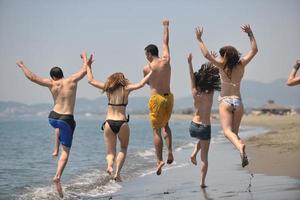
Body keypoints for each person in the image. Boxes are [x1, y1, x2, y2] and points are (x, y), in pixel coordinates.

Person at [16, 52, 90, 197]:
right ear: (62, 74)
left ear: (53, 77)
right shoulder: (71, 80)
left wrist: (22, 65)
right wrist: (85, 59)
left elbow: (32, 77)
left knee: (58, 128)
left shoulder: (51, 83)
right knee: (66, 152)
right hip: (66, 119)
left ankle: (55, 149)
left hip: (53, 117)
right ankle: (57, 176)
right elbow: (84, 70)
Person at [195, 24, 258, 167]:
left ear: (224, 56)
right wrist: (250, 33)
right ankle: (241, 150)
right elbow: (254, 50)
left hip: (225, 102)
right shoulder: (241, 65)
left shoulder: (221, 65)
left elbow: (206, 55)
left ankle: (241, 147)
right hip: (238, 102)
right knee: (234, 134)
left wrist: (199, 39)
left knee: (227, 132)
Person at [86, 55, 153, 182]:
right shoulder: (126, 89)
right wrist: (152, 72)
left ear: (111, 80)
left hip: (108, 123)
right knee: (123, 148)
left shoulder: (107, 89)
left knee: (110, 152)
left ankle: (110, 166)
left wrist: (88, 66)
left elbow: (91, 80)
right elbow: (141, 83)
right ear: (122, 80)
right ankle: (117, 173)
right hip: (122, 123)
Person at [143, 17, 174, 176]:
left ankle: (159, 160)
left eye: (145, 54)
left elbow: (148, 84)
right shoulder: (166, 60)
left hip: (156, 99)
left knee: (156, 131)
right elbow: (165, 42)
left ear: (149, 54)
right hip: (169, 97)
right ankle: (170, 152)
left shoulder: (147, 68)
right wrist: (166, 26)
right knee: (166, 126)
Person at [187, 53, 221, 188]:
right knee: (205, 158)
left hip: (193, 126)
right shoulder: (211, 92)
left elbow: (191, 77)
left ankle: (194, 153)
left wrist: (189, 63)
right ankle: (202, 183)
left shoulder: (195, 92)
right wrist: (211, 61)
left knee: (201, 139)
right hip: (205, 126)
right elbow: (212, 76)